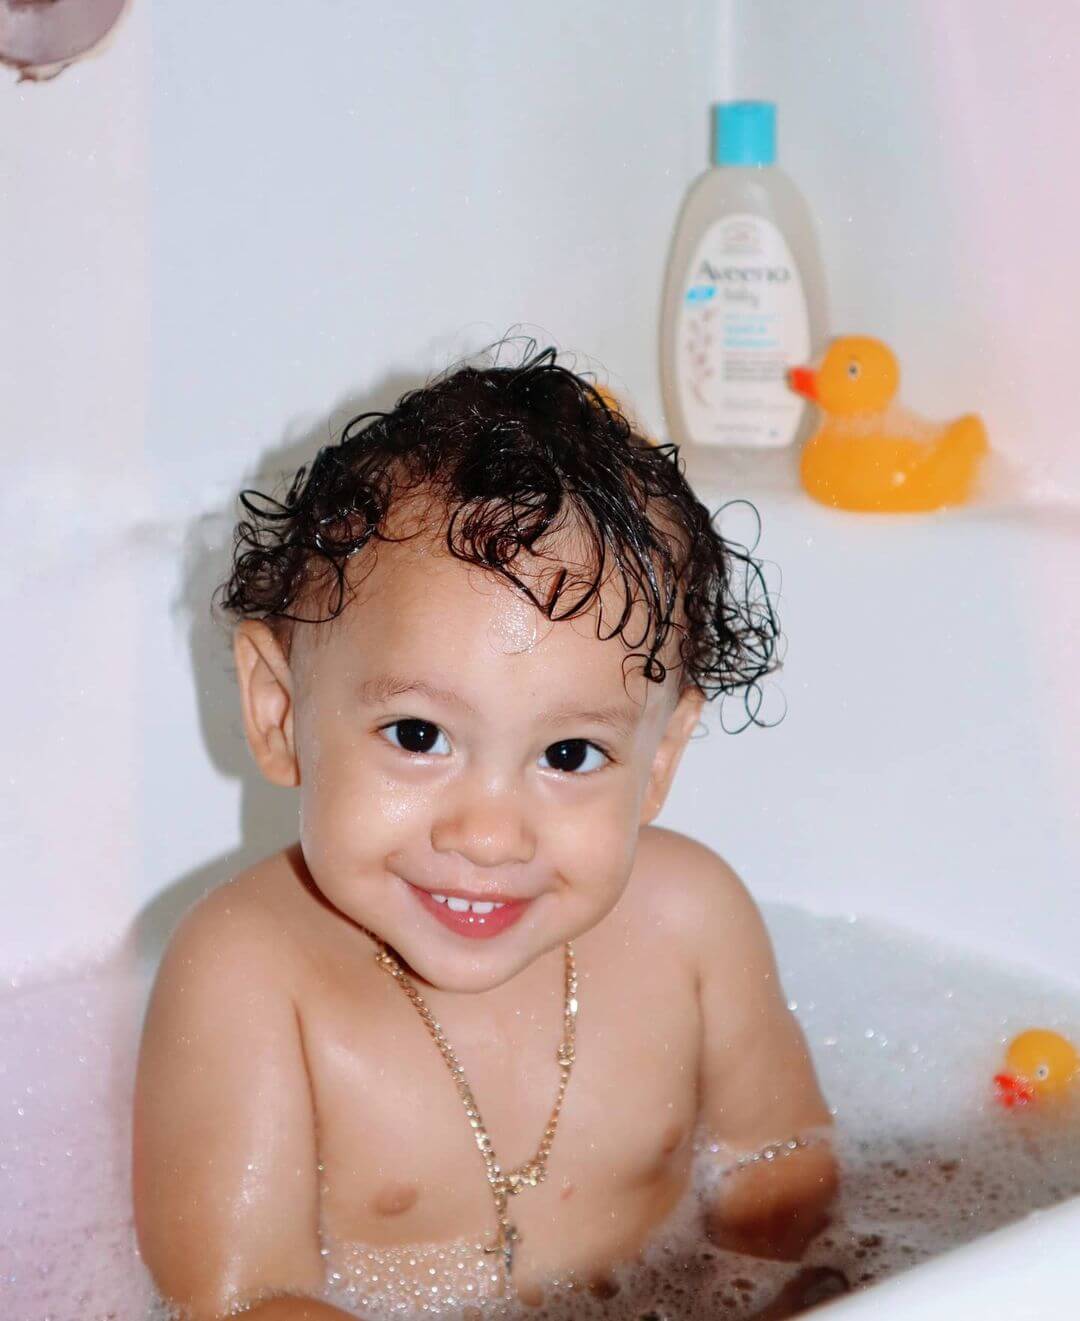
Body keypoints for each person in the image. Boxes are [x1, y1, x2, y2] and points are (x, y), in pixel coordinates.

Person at [132, 344, 837, 1321]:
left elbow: (781, 1165)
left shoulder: (693, 923)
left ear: (660, 757)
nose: (490, 833)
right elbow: (246, 1297)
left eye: (569, 756)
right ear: (279, 709)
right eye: (418, 736)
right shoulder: (250, 976)